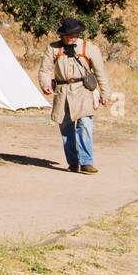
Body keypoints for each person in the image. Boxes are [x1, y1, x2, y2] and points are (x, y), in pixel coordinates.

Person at [38, 16, 111, 174]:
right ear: (62, 35)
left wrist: (105, 93)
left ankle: (86, 162)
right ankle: (73, 162)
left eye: (75, 35)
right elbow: (45, 70)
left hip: (82, 90)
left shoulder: (89, 48)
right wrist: (45, 84)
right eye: (69, 35)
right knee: (66, 129)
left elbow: (100, 73)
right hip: (62, 91)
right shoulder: (53, 48)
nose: (72, 38)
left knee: (84, 125)